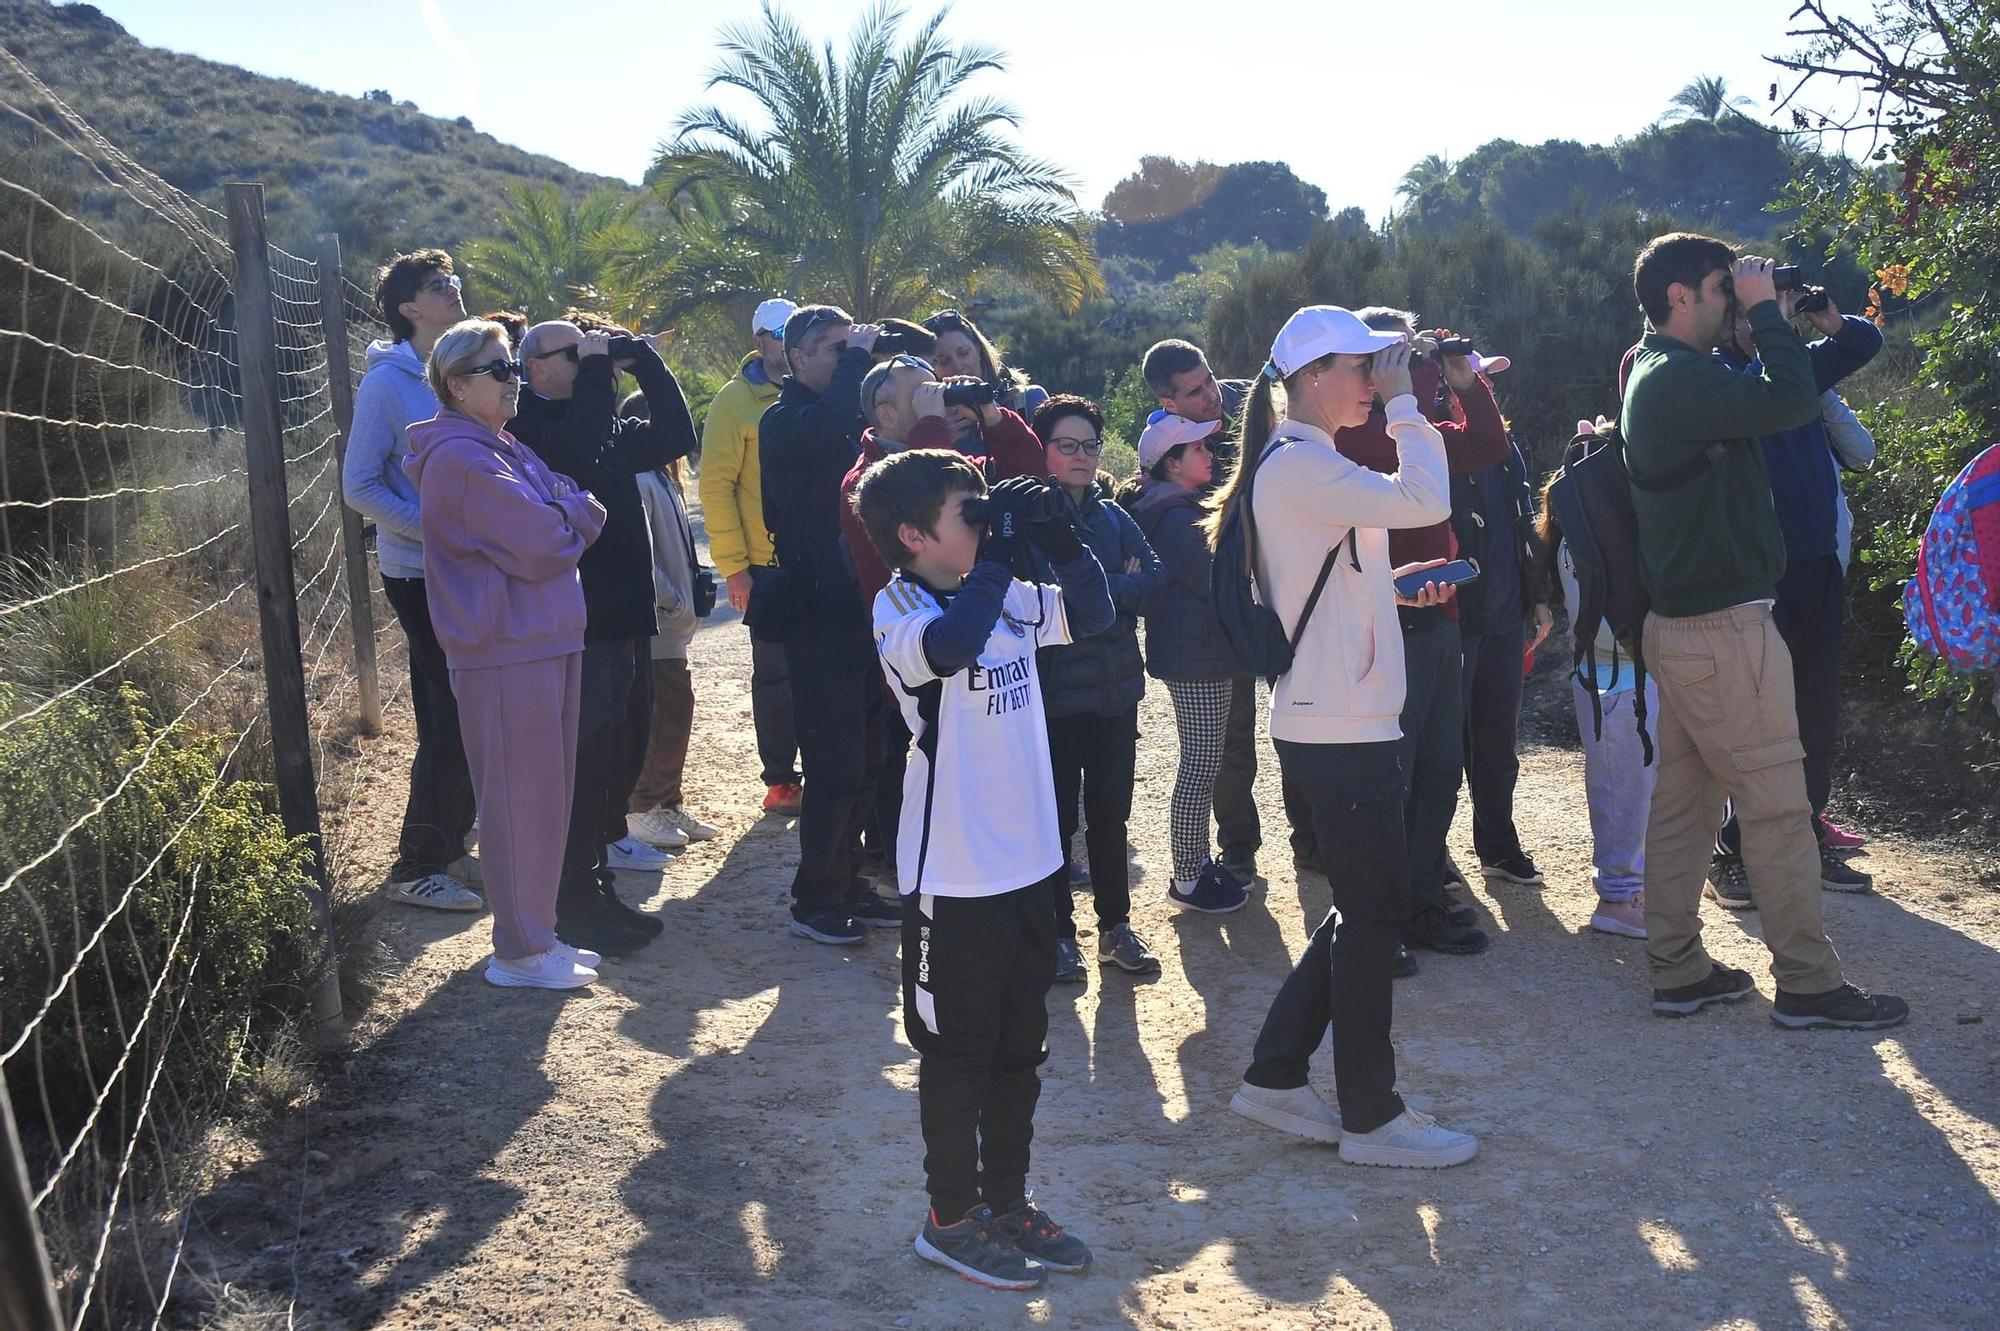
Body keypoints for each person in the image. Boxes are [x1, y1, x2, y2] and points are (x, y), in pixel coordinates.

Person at [1621, 233, 1906, 1029]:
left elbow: (1794, 386)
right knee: (1779, 810)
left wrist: (1763, 311)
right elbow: (1788, 398)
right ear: (1681, 297)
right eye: (1722, 286)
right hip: (1722, 633)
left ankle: (1677, 968)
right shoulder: (1678, 379)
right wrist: (1765, 315)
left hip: (1690, 627)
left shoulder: (1665, 373)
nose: (1733, 296)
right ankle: (1809, 984)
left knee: (1682, 808)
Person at [1218, 304, 1477, 1167]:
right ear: (1314, 377)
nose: (1375, 379)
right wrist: (1409, 406)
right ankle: (1372, 1115)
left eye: (1380, 367)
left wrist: (1391, 589)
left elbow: (1333, 573)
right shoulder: (1298, 467)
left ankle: (1276, 1075)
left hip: (1341, 714)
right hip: (1338, 724)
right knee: (1374, 916)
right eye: (1363, 367)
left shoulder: (1309, 465)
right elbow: (1428, 495)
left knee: (1365, 908)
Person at [854, 448, 1111, 1290]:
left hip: (1033, 863)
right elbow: (954, 647)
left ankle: (1005, 1200)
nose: (984, 523)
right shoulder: (898, 608)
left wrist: (1058, 532)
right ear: (913, 534)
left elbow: (1098, 611)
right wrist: (1002, 551)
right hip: (954, 876)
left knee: (1019, 1047)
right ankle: (948, 1216)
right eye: (970, 513)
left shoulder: (1002, 592)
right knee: (958, 1052)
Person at [403, 320, 606, 990]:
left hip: (540, 638)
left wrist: (565, 512)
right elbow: (548, 537)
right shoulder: (465, 459)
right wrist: (567, 513)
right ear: (456, 385)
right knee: (521, 799)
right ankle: (519, 949)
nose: (511, 379)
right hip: (504, 649)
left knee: (545, 794)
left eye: (512, 366)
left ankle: (535, 936)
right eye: (497, 370)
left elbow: (575, 504)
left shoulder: (501, 446)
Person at [1323, 308, 1510, 971]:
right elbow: (1394, 454)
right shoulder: (1348, 436)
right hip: (1380, 622)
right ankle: (1374, 916)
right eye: (1398, 355)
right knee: (1387, 779)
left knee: (1437, 773)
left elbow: (1487, 446)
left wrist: (1465, 380)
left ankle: (1420, 900)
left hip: (1440, 619)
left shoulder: (1415, 427)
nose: (1415, 367)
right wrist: (1405, 394)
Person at [510, 319, 699, 958]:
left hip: (623, 622)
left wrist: (642, 360)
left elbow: (677, 436)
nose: (594, 364)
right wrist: (597, 374)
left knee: (618, 756)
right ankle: (572, 905)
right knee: (584, 767)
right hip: (576, 628)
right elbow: (574, 456)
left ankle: (596, 890)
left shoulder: (604, 417)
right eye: (575, 355)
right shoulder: (526, 428)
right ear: (536, 368)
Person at [838, 354, 1046, 893]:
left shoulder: (957, 469)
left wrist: (992, 417)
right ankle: (904, 875)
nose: (940, 400)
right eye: (922, 395)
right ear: (885, 414)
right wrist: (933, 430)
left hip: (988, 634)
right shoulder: (867, 482)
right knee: (914, 769)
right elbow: (923, 500)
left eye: (941, 391)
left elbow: (1032, 476)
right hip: (920, 660)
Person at [1703, 290, 1883, 905]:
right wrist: (1767, 328)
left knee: (1816, 713)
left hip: (1817, 565)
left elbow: (1863, 343)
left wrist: (1826, 315)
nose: (1770, 315)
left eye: (1777, 304)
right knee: (1755, 719)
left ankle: (1803, 835)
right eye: (1756, 305)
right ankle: (1731, 850)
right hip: (1758, 574)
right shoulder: (1720, 373)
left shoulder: (1797, 365)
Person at [758, 304, 902, 945]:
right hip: (816, 613)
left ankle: (846, 883)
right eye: (832, 349)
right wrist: (859, 363)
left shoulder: (846, 419)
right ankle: (813, 898)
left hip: (863, 610)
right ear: (795, 357)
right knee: (834, 763)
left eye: (851, 348)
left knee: (870, 757)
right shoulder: (784, 420)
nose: (846, 358)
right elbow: (827, 422)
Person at [342, 249, 481, 914]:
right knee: (453, 714)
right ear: (408, 309)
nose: (452, 289)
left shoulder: (458, 367)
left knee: (457, 710)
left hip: (468, 569)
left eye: (451, 280)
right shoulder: (386, 383)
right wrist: (433, 526)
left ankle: (447, 846)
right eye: (436, 285)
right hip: (419, 573)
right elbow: (359, 484)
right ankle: (417, 864)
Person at [1029, 395, 1166, 982]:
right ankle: (1059, 935)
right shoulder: (1028, 517)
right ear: (1044, 451)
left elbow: (1156, 580)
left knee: (1112, 816)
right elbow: (1035, 595)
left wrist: (1091, 596)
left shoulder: (1113, 516)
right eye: (1067, 445)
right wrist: (1114, 592)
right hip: (1054, 695)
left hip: (1115, 692)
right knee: (1055, 821)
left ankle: (1115, 929)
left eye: (1089, 446)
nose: (1081, 456)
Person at [1120, 411, 1251, 915]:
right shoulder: (1174, 516)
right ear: (1171, 463)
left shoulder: (1172, 505)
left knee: (1205, 760)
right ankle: (1189, 876)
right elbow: (1214, 580)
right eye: (1196, 449)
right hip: (1194, 654)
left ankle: (1193, 866)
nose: (1209, 455)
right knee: (1200, 764)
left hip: (1197, 650)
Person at [1142, 338, 1258, 876]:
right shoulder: (1172, 497)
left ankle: (1241, 849)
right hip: (1211, 639)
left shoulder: (1241, 418)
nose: (1213, 395)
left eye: (1210, 380)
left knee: (1234, 744)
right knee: (1210, 756)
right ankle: (1209, 863)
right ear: (1168, 404)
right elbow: (1209, 578)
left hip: (1232, 628)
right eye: (1195, 391)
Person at [1534, 443, 1651, 938]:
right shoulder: (1596, 539)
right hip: (1617, 682)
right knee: (1624, 793)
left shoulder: (1570, 536)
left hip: (1612, 680)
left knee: (1632, 791)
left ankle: (1630, 888)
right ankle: (1619, 898)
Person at [697, 298, 803, 815]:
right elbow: (715, 487)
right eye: (782, 332)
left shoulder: (821, 394)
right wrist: (735, 568)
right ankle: (781, 780)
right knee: (776, 675)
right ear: (760, 339)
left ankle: (823, 769)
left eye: (799, 330)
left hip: (821, 560)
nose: (791, 341)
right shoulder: (734, 401)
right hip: (767, 565)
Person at [1452, 421, 1555, 890]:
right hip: (1450, 619)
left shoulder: (1504, 445)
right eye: (1472, 378)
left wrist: (1538, 597)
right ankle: (1428, 854)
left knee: (1497, 744)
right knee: (1439, 749)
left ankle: (1497, 846)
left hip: (1504, 616)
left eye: (1485, 378)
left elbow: (1523, 524)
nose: (1484, 387)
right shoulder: (1430, 442)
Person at [627, 404, 720, 849]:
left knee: (676, 711)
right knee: (663, 711)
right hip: (657, 625)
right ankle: (642, 807)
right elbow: (642, 557)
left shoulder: (664, 478)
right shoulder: (641, 480)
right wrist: (671, 599)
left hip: (673, 626)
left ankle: (666, 800)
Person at [921, 308, 1048, 448]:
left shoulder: (1027, 401)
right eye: (943, 361)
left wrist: (998, 421)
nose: (958, 367)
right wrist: (937, 441)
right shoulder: (930, 422)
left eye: (963, 353)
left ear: (979, 350)